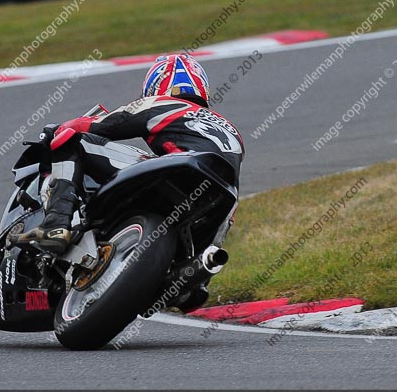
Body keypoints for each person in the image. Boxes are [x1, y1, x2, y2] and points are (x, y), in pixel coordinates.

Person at [16, 54, 244, 254]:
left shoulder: (161, 102)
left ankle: (56, 223)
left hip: (180, 172)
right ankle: (189, 277)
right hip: (215, 203)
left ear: (157, 84)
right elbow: (231, 195)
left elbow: (106, 125)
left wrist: (59, 129)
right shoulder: (232, 131)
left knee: (71, 140)